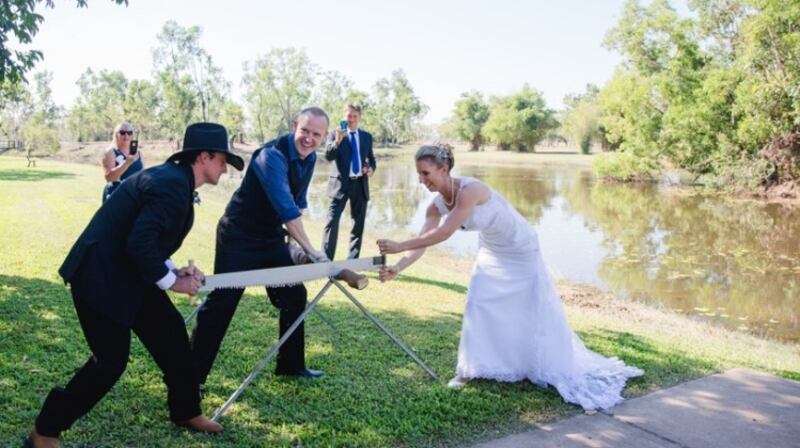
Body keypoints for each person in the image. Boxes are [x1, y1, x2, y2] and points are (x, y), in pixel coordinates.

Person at [376, 144, 643, 411]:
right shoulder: (435, 207)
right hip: (492, 251)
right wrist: (398, 267)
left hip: (520, 248)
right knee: (478, 304)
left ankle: (531, 361)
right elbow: (424, 241)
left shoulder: (471, 191)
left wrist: (399, 244)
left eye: (426, 174)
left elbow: (445, 233)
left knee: (529, 308)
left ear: (444, 169)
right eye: (419, 175)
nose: (422, 181)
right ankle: (467, 370)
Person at [25, 123, 244, 448]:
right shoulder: (171, 185)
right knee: (110, 362)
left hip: (131, 273)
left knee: (171, 335)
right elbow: (140, 245)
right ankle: (44, 431)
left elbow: (148, 242)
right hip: (100, 278)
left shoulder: (175, 181)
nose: (225, 168)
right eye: (222, 160)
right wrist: (173, 283)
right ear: (203, 156)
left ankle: (185, 410)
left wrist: (174, 270)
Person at [190, 107, 330, 387]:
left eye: (317, 134)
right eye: (305, 131)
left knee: (293, 294)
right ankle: (190, 381)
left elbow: (299, 200)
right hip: (238, 237)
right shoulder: (271, 156)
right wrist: (313, 251)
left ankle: (290, 366)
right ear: (294, 126)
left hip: (269, 238)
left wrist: (294, 247)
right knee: (222, 305)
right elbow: (287, 209)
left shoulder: (311, 158)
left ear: (324, 136)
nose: (309, 139)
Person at [322, 103, 375, 260]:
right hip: (339, 185)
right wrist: (338, 141)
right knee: (331, 222)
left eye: (354, 116)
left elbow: (371, 159)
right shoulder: (334, 134)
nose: (351, 119)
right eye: (348, 116)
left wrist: (370, 168)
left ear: (359, 117)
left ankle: (352, 261)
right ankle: (325, 261)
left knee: (357, 225)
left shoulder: (366, 137)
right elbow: (328, 156)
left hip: (360, 184)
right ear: (344, 116)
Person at [101, 122, 143, 202]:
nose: (126, 136)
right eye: (122, 133)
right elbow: (109, 177)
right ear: (116, 134)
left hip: (135, 197)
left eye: (129, 133)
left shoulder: (138, 153)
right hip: (116, 197)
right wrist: (127, 163)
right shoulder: (110, 152)